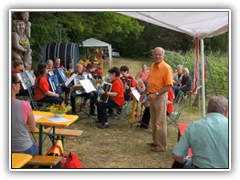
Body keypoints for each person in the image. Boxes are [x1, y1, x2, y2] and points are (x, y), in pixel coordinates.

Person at [172, 95, 228, 168]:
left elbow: (176, 155)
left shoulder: (193, 126)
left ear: (208, 109)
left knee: (178, 164)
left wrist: (185, 161)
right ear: (226, 111)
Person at [140, 47, 173, 152]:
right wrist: (144, 93)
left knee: (160, 122)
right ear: (153, 55)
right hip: (151, 96)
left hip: (160, 97)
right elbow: (150, 81)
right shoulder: (153, 65)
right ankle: (155, 142)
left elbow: (168, 86)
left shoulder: (166, 68)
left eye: (159, 54)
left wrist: (156, 94)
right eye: (155, 54)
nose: (157, 56)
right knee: (154, 121)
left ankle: (161, 146)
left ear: (163, 56)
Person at [11, 74, 38, 156]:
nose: (21, 84)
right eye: (19, 82)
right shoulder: (24, 105)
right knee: (36, 145)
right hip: (23, 148)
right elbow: (32, 128)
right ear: (13, 85)